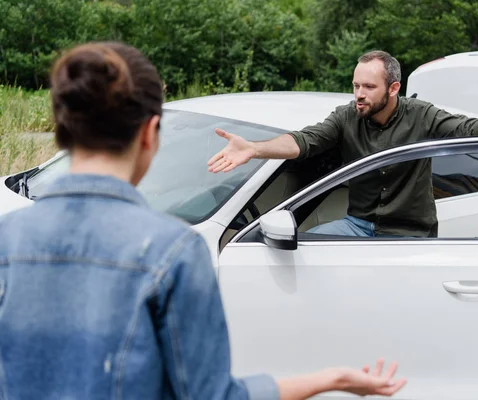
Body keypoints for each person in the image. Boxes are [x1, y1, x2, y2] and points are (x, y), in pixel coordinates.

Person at [0, 42, 406, 399]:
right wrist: (328, 379)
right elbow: (211, 395)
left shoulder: (7, 235)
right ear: (149, 134)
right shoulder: (172, 251)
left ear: (63, 131)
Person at [207, 50, 478, 238]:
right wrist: (254, 148)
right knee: (299, 252)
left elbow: (474, 128)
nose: (359, 93)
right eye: (355, 85)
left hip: (409, 234)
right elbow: (304, 141)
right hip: (358, 226)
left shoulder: (420, 116)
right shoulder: (346, 116)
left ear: (393, 89)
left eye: (368, 86)